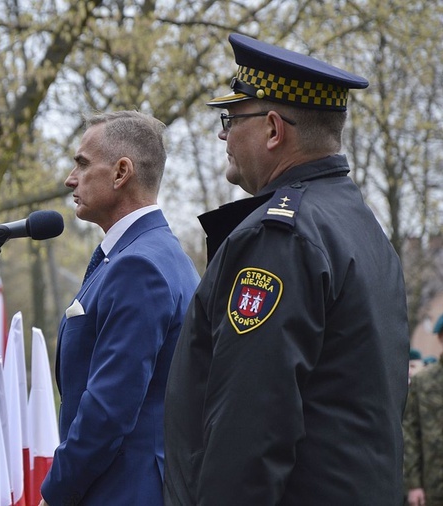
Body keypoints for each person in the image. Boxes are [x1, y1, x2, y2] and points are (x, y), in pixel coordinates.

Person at [163, 33, 409, 506]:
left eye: (231, 119)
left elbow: (250, 425)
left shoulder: (281, 237)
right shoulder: (362, 229)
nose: (223, 135)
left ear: (274, 130)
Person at [39, 110, 200, 505]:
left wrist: (54, 494)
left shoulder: (138, 265)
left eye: (82, 163)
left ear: (121, 172)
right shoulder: (151, 254)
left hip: (125, 491)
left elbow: (108, 410)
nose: (70, 179)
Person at [403, 313, 443, 506]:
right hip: (433, 487)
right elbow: (410, 434)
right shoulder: (422, 382)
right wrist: (414, 484)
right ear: (440, 338)